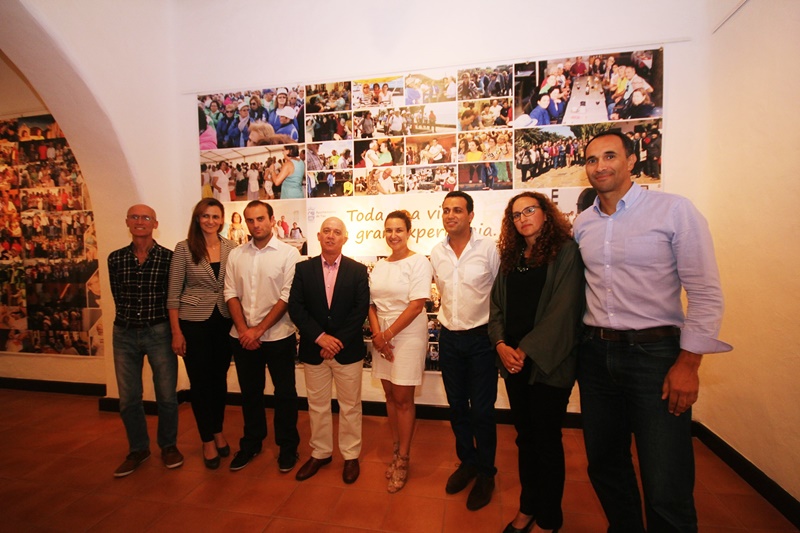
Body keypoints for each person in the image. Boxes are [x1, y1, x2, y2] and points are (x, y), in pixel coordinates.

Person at [574, 131, 731, 532]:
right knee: (605, 464)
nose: (600, 166)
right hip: (595, 356)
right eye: (591, 160)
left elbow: (705, 292)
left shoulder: (674, 210)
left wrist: (688, 363)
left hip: (656, 357)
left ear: (631, 160)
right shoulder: (584, 223)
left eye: (610, 156)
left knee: (665, 478)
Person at [489, 192, 584, 533]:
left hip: (548, 363)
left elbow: (564, 310)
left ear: (546, 213)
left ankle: (549, 519)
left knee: (546, 440)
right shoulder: (512, 257)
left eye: (529, 210)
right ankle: (528, 506)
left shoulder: (566, 252)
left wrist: (524, 350)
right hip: (513, 363)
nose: (523, 218)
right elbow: (496, 306)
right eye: (516, 215)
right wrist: (501, 344)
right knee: (525, 438)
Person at [429, 191, 500, 511]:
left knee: (482, 411)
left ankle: (486, 472)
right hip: (449, 339)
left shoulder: (488, 249)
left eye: (457, 210)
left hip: (481, 339)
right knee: (457, 407)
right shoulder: (437, 252)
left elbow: (500, 294)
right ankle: (468, 462)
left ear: (471, 215)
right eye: (446, 210)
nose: (450, 215)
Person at [288, 217, 369, 484]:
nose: (331, 235)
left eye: (336, 232)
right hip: (315, 349)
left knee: (350, 406)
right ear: (319, 236)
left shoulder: (357, 270)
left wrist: (336, 341)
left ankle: (350, 455)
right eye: (326, 231)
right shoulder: (303, 269)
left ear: (345, 238)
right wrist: (321, 338)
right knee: (317, 405)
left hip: (347, 351)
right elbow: (296, 307)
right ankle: (320, 453)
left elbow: (360, 310)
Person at [223, 200, 302, 473]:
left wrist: (257, 330)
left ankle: (288, 447)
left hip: (279, 336)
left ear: (272, 220)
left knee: (285, 395)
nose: (256, 225)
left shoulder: (289, 254)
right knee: (250, 394)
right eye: (250, 220)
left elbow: (286, 297)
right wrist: (244, 330)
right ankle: (252, 443)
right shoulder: (236, 255)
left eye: (260, 219)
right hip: (242, 337)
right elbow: (230, 293)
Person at [108, 204, 182, 477]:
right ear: (127, 221)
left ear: (155, 224)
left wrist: (175, 332)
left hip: (159, 331)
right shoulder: (115, 259)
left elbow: (172, 298)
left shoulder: (169, 258)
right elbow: (118, 296)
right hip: (124, 333)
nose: (140, 221)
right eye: (135, 217)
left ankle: (168, 446)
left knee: (166, 396)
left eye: (146, 217)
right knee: (128, 398)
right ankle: (138, 449)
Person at [167, 198, 235, 469]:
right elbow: (173, 294)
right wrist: (176, 332)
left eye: (215, 216)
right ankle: (207, 439)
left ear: (222, 220)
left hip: (224, 321)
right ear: (197, 219)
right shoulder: (184, 248)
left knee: (219, 380)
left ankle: (217, 431)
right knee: (200, 382)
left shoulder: (231, 247)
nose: (210, 221)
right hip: (193, 323)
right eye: (205, 216)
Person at [368, 210, 432, 493]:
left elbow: (416, 305)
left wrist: (387, 336)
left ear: (409, 232)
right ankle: (396, 448)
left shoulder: (419, 262)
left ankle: (403, 458)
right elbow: (371, 304)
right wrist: (377, 336)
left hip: (407, 334)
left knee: (404, 398)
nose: (393, 235)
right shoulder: (380, 266)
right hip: (382, 334)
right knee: (390, 395)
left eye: (399, 230)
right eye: (389, 230)